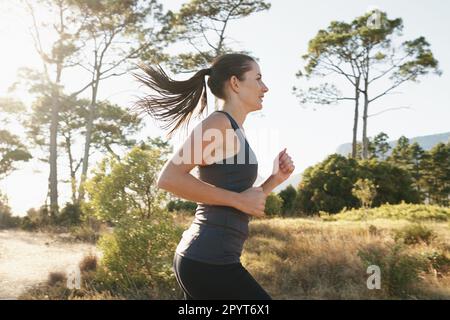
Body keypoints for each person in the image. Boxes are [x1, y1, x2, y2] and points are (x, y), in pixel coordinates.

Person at [133, 53, 295, 300]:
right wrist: (237, 200)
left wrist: (275, 179)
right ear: (235, 83)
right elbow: (169, 178)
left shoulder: (234, 129)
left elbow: (242, 199)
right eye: (259, 78)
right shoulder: (219, 124)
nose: (266, 87)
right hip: (208, 261)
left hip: (208, 259)